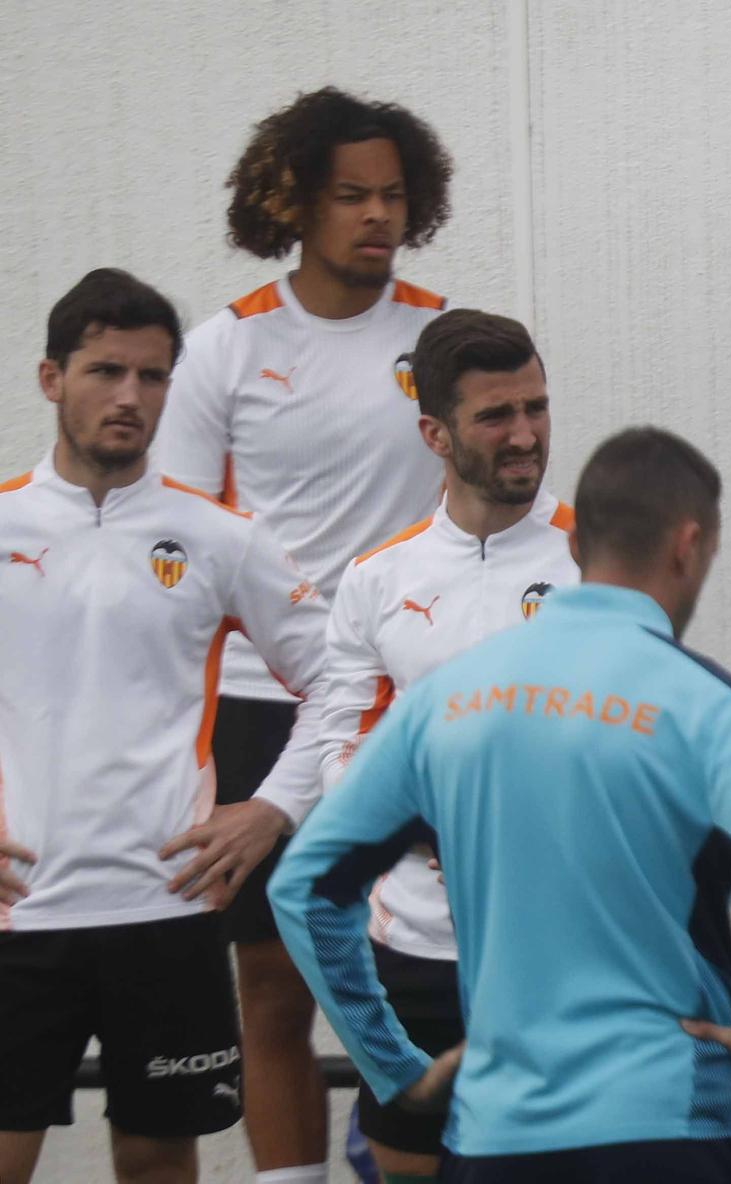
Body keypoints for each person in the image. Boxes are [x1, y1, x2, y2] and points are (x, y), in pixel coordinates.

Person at [271, 426, 731, 1182]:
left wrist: (394, 1066)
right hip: (672, 1123)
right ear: (689, 545)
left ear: (577, 541)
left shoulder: (446, 702)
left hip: (496, 1135)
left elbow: (306, 889)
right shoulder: (717, 707)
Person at [152, 86, 456, 1184]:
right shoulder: (222, 349)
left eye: (392, 196)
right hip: (261, 701)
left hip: (408, 697)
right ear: (293, 201)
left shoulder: (440, 337)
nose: (376, 215)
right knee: (275, 988)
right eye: (349, 197)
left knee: (423, 962)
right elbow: (172, 548)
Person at [0, 269, 332, 1184]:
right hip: (19, 917)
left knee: (158, 1164)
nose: (129, 397)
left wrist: (271, 809)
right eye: (106, 372)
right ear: (49, 378)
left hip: (167, 915)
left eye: (152, 377)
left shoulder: (219, 536)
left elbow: (342, 680)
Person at [316, 310, 577, 1181]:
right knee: (407, 1167)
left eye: (536, 408)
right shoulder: (377, 578)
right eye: (495, 416)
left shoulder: (603, 555)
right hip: (417, 951)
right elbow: (339, 746)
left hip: (569, 951)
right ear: (435, 432)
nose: (525, 434)